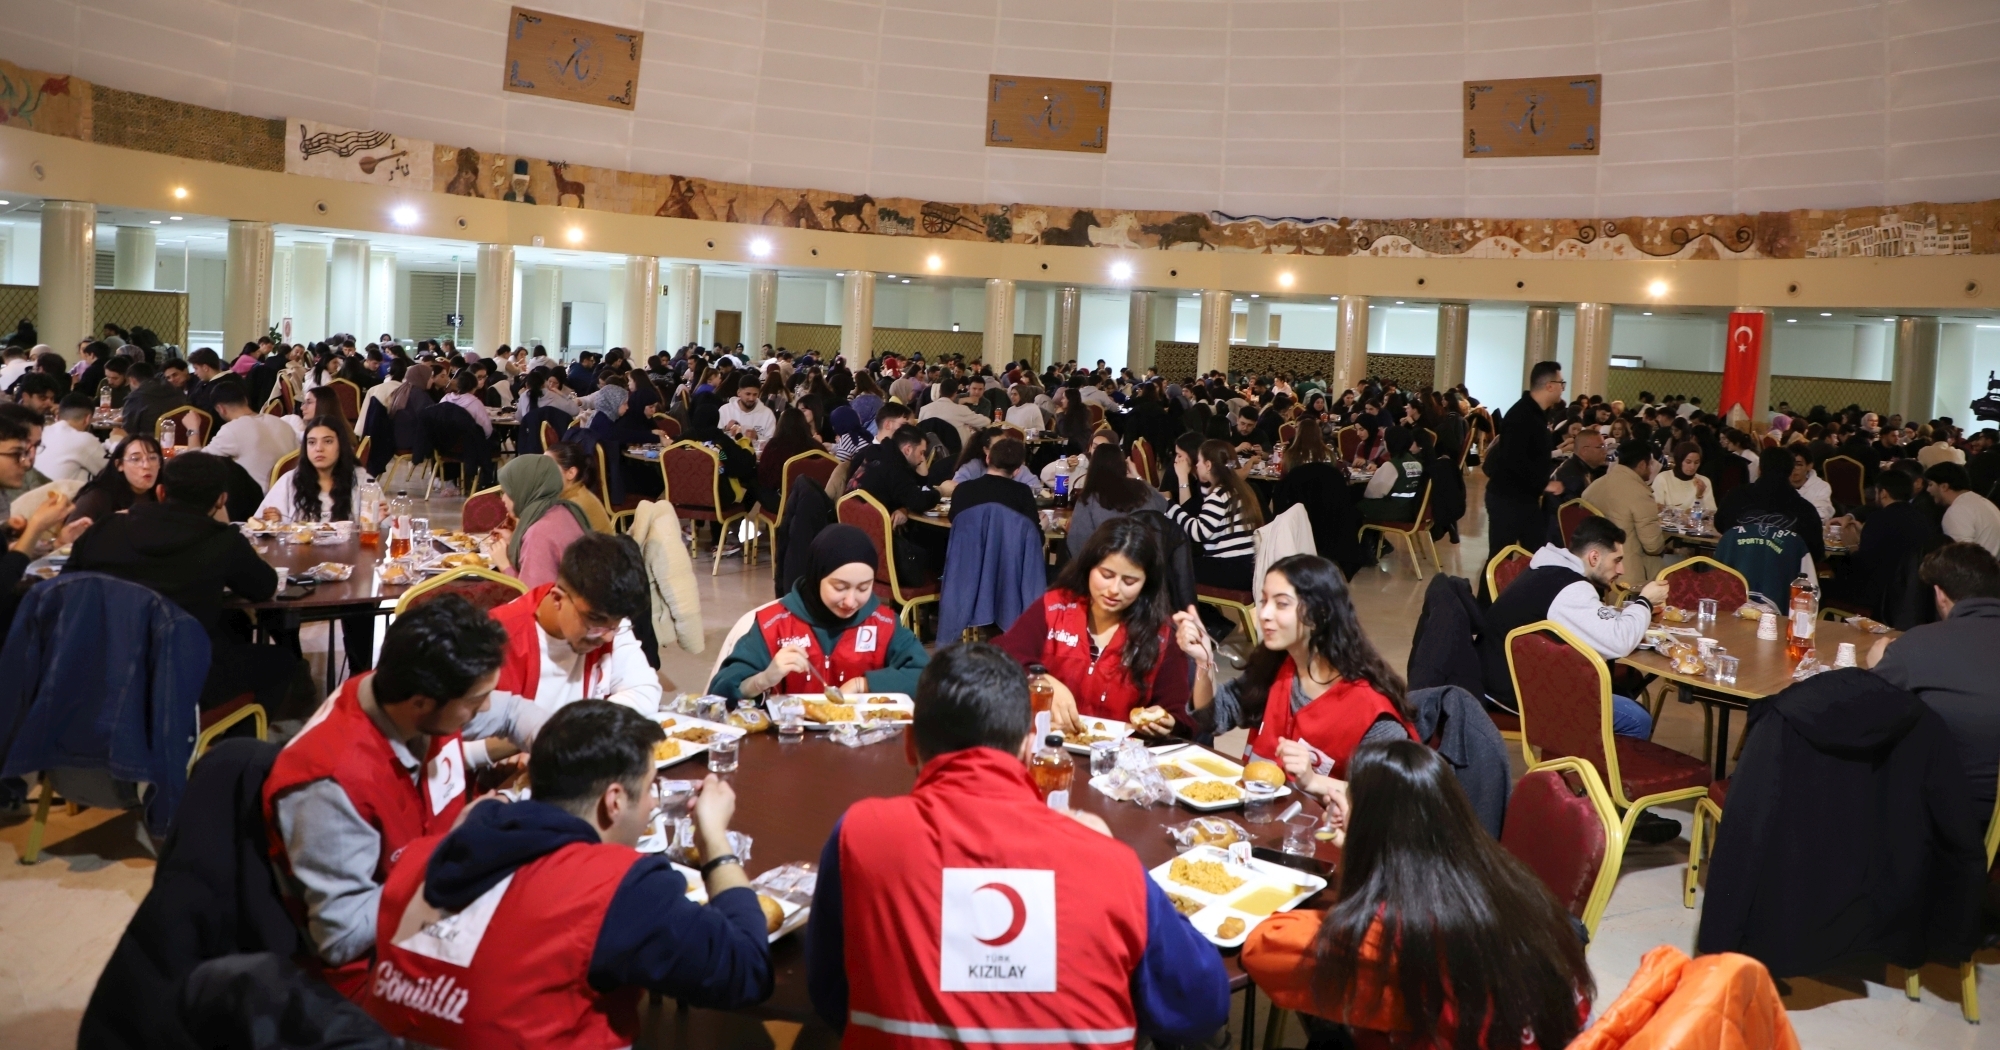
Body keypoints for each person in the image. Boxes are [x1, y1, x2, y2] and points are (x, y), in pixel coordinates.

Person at [806, 642, 1230, 1045]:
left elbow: (831, 994)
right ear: (1029, 750)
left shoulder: (859, 836)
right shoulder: (1109, 862)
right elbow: (1202, 1005)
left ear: (909, 745)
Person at [361, 700, 773, 1046]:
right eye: (651, 786)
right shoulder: (613, 886)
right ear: (614, 800)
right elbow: (747, 970)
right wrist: (714, 840)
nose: (652, 803)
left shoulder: (422, 857)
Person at [262, 596, 541, 1000]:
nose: (485, 707)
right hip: (375, 974)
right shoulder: (330, 783)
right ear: (421, 704)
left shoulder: (404, 694)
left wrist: (559, 746)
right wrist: (458, 856)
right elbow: (342, 937)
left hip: (436, 909)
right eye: (475, 701)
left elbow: (513, 712)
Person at [1242, 739, 1593, 1050]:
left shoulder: (1395, 935)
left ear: (1374, 831)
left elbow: (1262, 948)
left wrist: (1357, 860)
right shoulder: (1509, 880)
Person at [63, 451, 292, 708]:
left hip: (99, 666)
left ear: (161, 492)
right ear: (221, 500)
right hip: (180, 674)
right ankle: (225, 731)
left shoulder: (106, 528)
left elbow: (65, 587)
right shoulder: (223, 541)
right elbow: (264, 587)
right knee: (283, 662)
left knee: (233, 625)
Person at [1185, 555, 1415, 779]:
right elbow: (1211, 719)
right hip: (1260, 803)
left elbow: (1383, 796)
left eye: (1281, 604)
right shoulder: (1276, 664)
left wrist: (1314, 781)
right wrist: (1203, 662)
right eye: (1264, 601)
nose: (1264, 614)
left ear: (1319, 614)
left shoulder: (1371, 709)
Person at [995, 516, 1193, 734]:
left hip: (1121, 751)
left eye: (1129, 581)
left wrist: (1167, 723)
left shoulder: (1161, 634)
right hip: (1046, 743)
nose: (1114, 590)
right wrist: (1040, 679)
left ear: (1147, 583)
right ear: (1089, 567)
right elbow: (1003, 655)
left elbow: (1180, 715)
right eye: (1106, 575)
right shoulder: (1056, 607)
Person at [708, 524, 929, 699]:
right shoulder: (774, 624)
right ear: (816, 576)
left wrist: (862, 684)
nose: (850, 601)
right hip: (789, 740)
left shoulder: (883, 624)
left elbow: (928, 678)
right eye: (839, 588)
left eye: (863, 588)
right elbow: (720, 692)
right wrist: (763, 679)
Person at [1867, 543, 2000, 821]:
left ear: (1939, 594)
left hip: (1956, 817)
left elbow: (1867, 715)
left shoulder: (1917, 645)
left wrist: (1877, 666)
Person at [484, 533, 662, 740]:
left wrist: (575, 731)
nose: (607, 638)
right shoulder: (497, 638)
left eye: (615, 625)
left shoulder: (609, 625)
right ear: (558, 599)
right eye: (594, 620)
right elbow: (465, 735)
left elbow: (644, 690)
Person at [1485, 362, 1566, 553]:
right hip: (1507, 498)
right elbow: (1514, 460)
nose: (1563, 388)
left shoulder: (1536, 412)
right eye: (1561, 383)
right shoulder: (1522, 415)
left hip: (1524, 498)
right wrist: (1544, 484)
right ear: (1549, 386)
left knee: (1537, 554)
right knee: (1500, 558)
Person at [1166, 438, 1262, 596]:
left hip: (1232, 568)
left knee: (1173, 566)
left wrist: (1170, 506)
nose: (1197, 465)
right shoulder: (1237, 488)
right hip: (1246, 565)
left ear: (1208, 465)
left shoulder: (1218, 495)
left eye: (1199, 461)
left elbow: (1199, 533)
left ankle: (1195, 611)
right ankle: (1205, 611)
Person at [484, 454, 591, 588]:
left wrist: (504, 564)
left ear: (524, 491)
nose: (503, 499)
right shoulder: (562, 509)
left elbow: (534, 596)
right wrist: (514, 540)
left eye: (507, 492)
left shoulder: (539, 532)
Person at [1715, 447, 1827, 565]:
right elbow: (1815, 553)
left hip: (1735, 571)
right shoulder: (1805, 510)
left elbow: (1720, 525)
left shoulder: (1735, 497)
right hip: (1783, 575)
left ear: (1759, 469)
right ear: (1790, 472)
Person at [1580, 440, 1667, 589]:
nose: (1652, 469)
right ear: (1642, 465)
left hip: (1590, 565)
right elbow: (1653, 546)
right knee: (1675, 565)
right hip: (1625, 572)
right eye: (1651, 464)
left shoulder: (1593, 487)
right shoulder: (1640, 493)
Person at [1067, 441, 1168, 559]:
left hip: (1103, 563)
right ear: (1124, 465)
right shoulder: (1142, 490)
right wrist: (1137, 476)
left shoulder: (1089, 498)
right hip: (1143, 560)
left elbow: (1077, 545)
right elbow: (1163, 504)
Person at [257, 420, 371, 523]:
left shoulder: (361, 480)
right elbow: (259, 525)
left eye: (328, 441)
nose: (319, 448)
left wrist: (377, 518)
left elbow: (376, 525)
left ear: (341, 445)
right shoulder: (289, 481)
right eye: (312, 442)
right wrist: (273, 521)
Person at [205, 379, 298, 492]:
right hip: (292, 492)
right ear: (245, 400)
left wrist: (193, 430)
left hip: (259, 498)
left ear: (221, 409)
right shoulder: (282, 423)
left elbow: (196, 463)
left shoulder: (232, 430)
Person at [947, 433, 1038, 524]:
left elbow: (953, 521)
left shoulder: (962, 489)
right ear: (1016, 471)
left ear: (988, 459)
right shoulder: (1023, 493)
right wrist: (1042, 526)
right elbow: (1031, 530)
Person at [69, 435, 161, 523]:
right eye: (135, 459)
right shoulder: (97, 496)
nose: (146, 465)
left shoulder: (162, 493)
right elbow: (70, 532)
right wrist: (110, 523)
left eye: (152, 458)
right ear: (119, 465)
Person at [755, 406, 824, 513]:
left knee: (752, 480)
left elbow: (765, 478)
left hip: (784, 504)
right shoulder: (818, 447)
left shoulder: (775, 446)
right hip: (812, 503)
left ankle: (739, 515)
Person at [1926, 462, 2000, 557]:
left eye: (1930, 484)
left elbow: (1962, 558)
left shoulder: (1957, 511)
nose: (1928, 490)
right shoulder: (1982, 502)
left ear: (1944, 486)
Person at [1357, 425, 1428, 524]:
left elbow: (1372, 493)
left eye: (1384, 440)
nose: (1383, 442)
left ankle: (1366, 534)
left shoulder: (1392, 465)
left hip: (1394, 511)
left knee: (1354, 507)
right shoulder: (1417, 463)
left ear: (1391, 442)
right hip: (1412, 510)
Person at [33, 393, 109, 483]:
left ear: (57, 416)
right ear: (87, 419)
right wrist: (115, 442)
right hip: (57, 491)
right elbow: (112, 472)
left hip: (33, 489)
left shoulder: (43, 431)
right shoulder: (84, 439)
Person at [546, 442, 615, 534]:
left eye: (548, 467)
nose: (541, 472)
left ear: (571, 473)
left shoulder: (575, 505)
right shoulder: (567, 495)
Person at [118, 360, 189, 439]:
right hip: (182, 438)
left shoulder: (135, 398)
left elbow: (128, 429)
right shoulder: (177, 390)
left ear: (132, 380)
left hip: (148, 441)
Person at [1651, 440, 1715, 515]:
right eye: (1688, 462)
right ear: (1679, 461)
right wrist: (1683, 513)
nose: (1692, 467)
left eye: (1696, 462)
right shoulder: (1663, 478)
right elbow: (1656, 509)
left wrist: (1699, 496)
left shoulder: (1704, 481)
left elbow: (1711, 512)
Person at [717, 378, 776, 453]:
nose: (751, 398)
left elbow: (772, 443)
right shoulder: (725, 410)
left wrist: (757, 437)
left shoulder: (767, 414)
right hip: (728, 455)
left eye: (755, 394)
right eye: (748, 394)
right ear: (739, 392)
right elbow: (714, 438)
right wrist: (725, 429)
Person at [1791, 446, 1836, 521]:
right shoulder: (1779, 484)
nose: (1793, 468)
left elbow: (1822, 515)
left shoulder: (1821, 486)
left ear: (1809, 466)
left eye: (1798, 464)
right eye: (1789, 464)